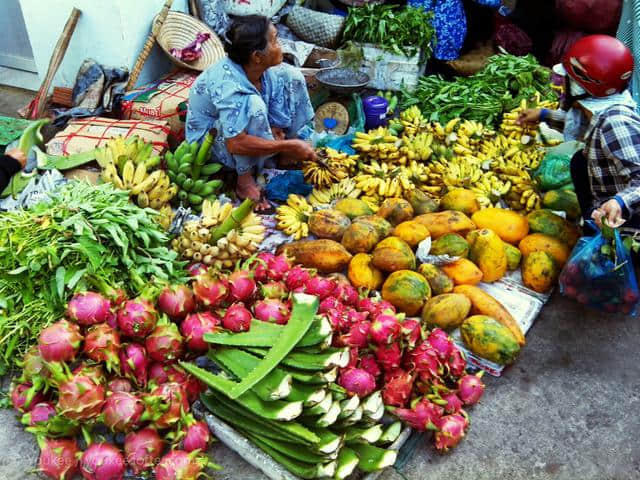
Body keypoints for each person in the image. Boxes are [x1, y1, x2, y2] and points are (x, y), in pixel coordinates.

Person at [186, 15, 316, 209]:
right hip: (212, 141)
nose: (280, 45)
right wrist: (288, 145)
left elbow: (273, 88)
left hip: (237, 131)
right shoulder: (229, 86)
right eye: (274, 41)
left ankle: (284, 155)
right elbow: (235, 143)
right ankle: (244, 181)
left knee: (290, 75)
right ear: (257, 56)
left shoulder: (256, 68)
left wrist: (277, 128)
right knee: (253, 106)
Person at [517, 35, 640, 233]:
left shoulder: (615, 123)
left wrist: (620, 203)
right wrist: (543, 115)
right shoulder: (597, 112)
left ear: (582, 86)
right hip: (607, 198)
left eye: (567, 79)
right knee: (579, 161)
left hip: (626, 217)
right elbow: (581, 125)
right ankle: (591, 223)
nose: (560, 84)